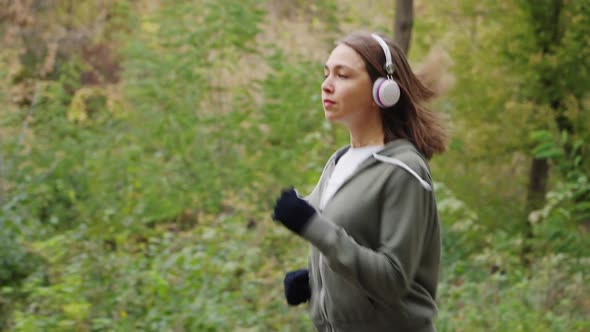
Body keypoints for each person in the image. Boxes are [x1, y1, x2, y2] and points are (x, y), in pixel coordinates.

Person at [272, 31, 448, 332]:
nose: (327, 85)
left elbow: (392, 279)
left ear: (383, 90)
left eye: (343, 75)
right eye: (326, 74)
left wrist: (311, 225)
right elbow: (353, 247)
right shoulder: (339, 162)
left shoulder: (403, 171)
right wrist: (317, 281)